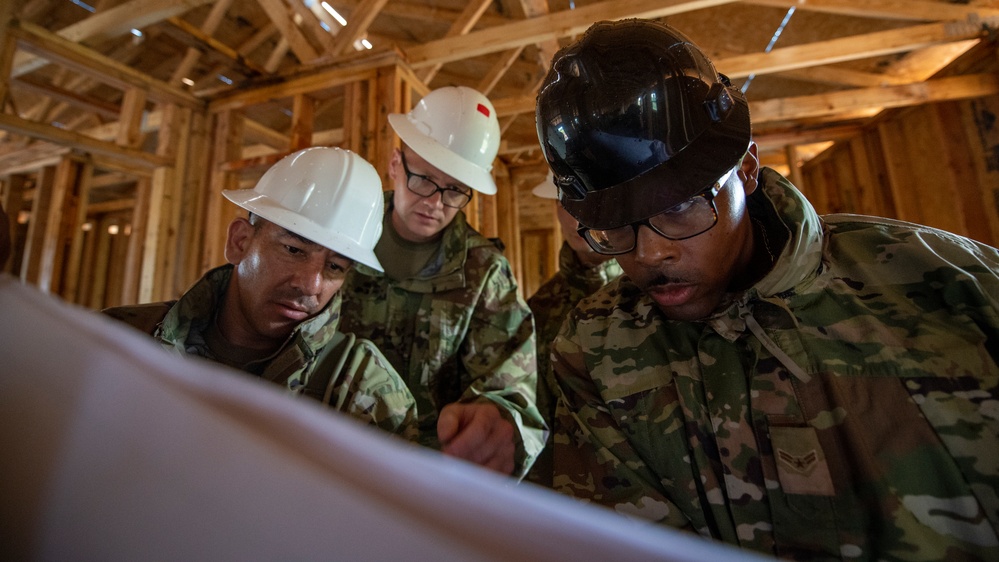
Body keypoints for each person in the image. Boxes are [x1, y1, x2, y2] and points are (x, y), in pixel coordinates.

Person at [536, 19, 999, 560]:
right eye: (615, 227)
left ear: (747, 167)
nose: (647, 255)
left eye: (679, 206)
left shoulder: (955, 287)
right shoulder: (593, 349)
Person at [105, 147, 417, 440]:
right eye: (293, 249)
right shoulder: (118, 340)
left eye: (335, 266)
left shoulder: (367, 390)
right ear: (240, 242)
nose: (310, 285)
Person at [339, 86, 545, 477]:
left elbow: (510, 385)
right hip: (326, 454)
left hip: (424, 474)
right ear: (396, 165)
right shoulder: (342, 232)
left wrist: (497, 418)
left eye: (454, 190)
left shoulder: (484, 272)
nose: (435, 202)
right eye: (424, 179)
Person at [525, 173, 621, 487]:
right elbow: (537, 426)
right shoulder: (538, 310)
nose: (577, 214)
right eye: (566, 201)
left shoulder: (659, 291)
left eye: (587, 198)